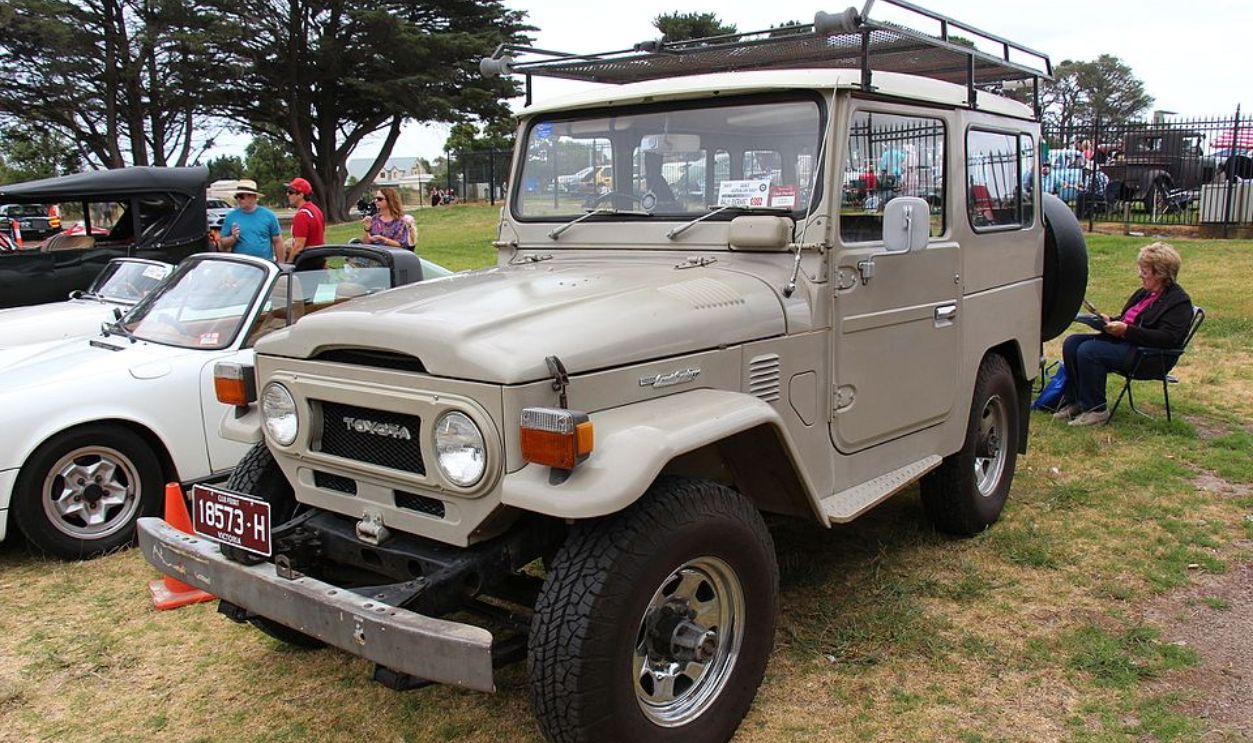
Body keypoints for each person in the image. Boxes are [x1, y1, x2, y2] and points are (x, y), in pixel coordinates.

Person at [1054, 242, 1194, 426]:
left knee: (1089, 351)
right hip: (1128, 344)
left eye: (1145, 271)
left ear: (1160, 274)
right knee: (1072, 343)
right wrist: (1109, 320)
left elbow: (1167, 338)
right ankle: (1078, 401)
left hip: (1149, 355)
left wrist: (1127, 331)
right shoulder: (1144, 294)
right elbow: (1129, 318)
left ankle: (1097, 409)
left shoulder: (1178, 303)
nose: (1140, 275)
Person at [218, 179, 282, 261]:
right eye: (236, 196)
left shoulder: (269, 216)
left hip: (264, 267)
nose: (238, 199)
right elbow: (222, 245)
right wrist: (233, 238)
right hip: (240, 266)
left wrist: (281, 264)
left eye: (241, 196)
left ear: (253, 197)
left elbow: (277, 241)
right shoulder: (231, 217)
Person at [284, 176, 325, 261]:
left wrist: (289, 264)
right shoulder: (316, 210)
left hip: (307, 261)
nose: (287, 194)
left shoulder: (302, 215)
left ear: (301, 195)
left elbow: (299, 245)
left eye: (291, 192)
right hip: (319, 258)